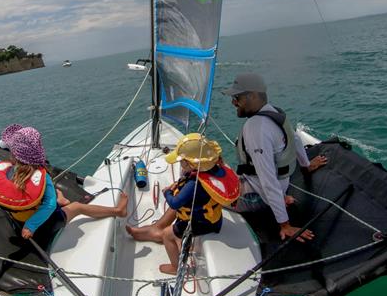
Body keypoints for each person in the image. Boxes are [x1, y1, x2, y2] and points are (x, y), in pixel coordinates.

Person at [0, 124, 128, 247]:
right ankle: (118, 210)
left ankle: (65, 201)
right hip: (45, 224)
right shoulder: (42, 177)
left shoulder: (9, 170)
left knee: (50, 196)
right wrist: (31, 226)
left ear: (15, 156)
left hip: (21, 221)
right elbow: (48, 206)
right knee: (77, 207)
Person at [222, 72, 327, 243]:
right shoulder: (275, 112)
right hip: (280, 185)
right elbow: (296, 139)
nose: (233, 102)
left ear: (253, 96)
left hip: (256, 196)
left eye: (237, 97)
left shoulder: (256, 129)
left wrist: (285, 225)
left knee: (205, 191)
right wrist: (306, 165)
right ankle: (280, 199)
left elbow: (267, 180)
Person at [126, 133, 239, 275]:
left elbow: (174, 203)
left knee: (168, 234)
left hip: (202, 223)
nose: (179, 164)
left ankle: (176, 267)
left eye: (181, 161)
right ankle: (156, 228)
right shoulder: (211, 170)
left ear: (190, 163)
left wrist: (167, 193)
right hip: (214, 219)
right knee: (182, 207)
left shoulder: (194, 184)